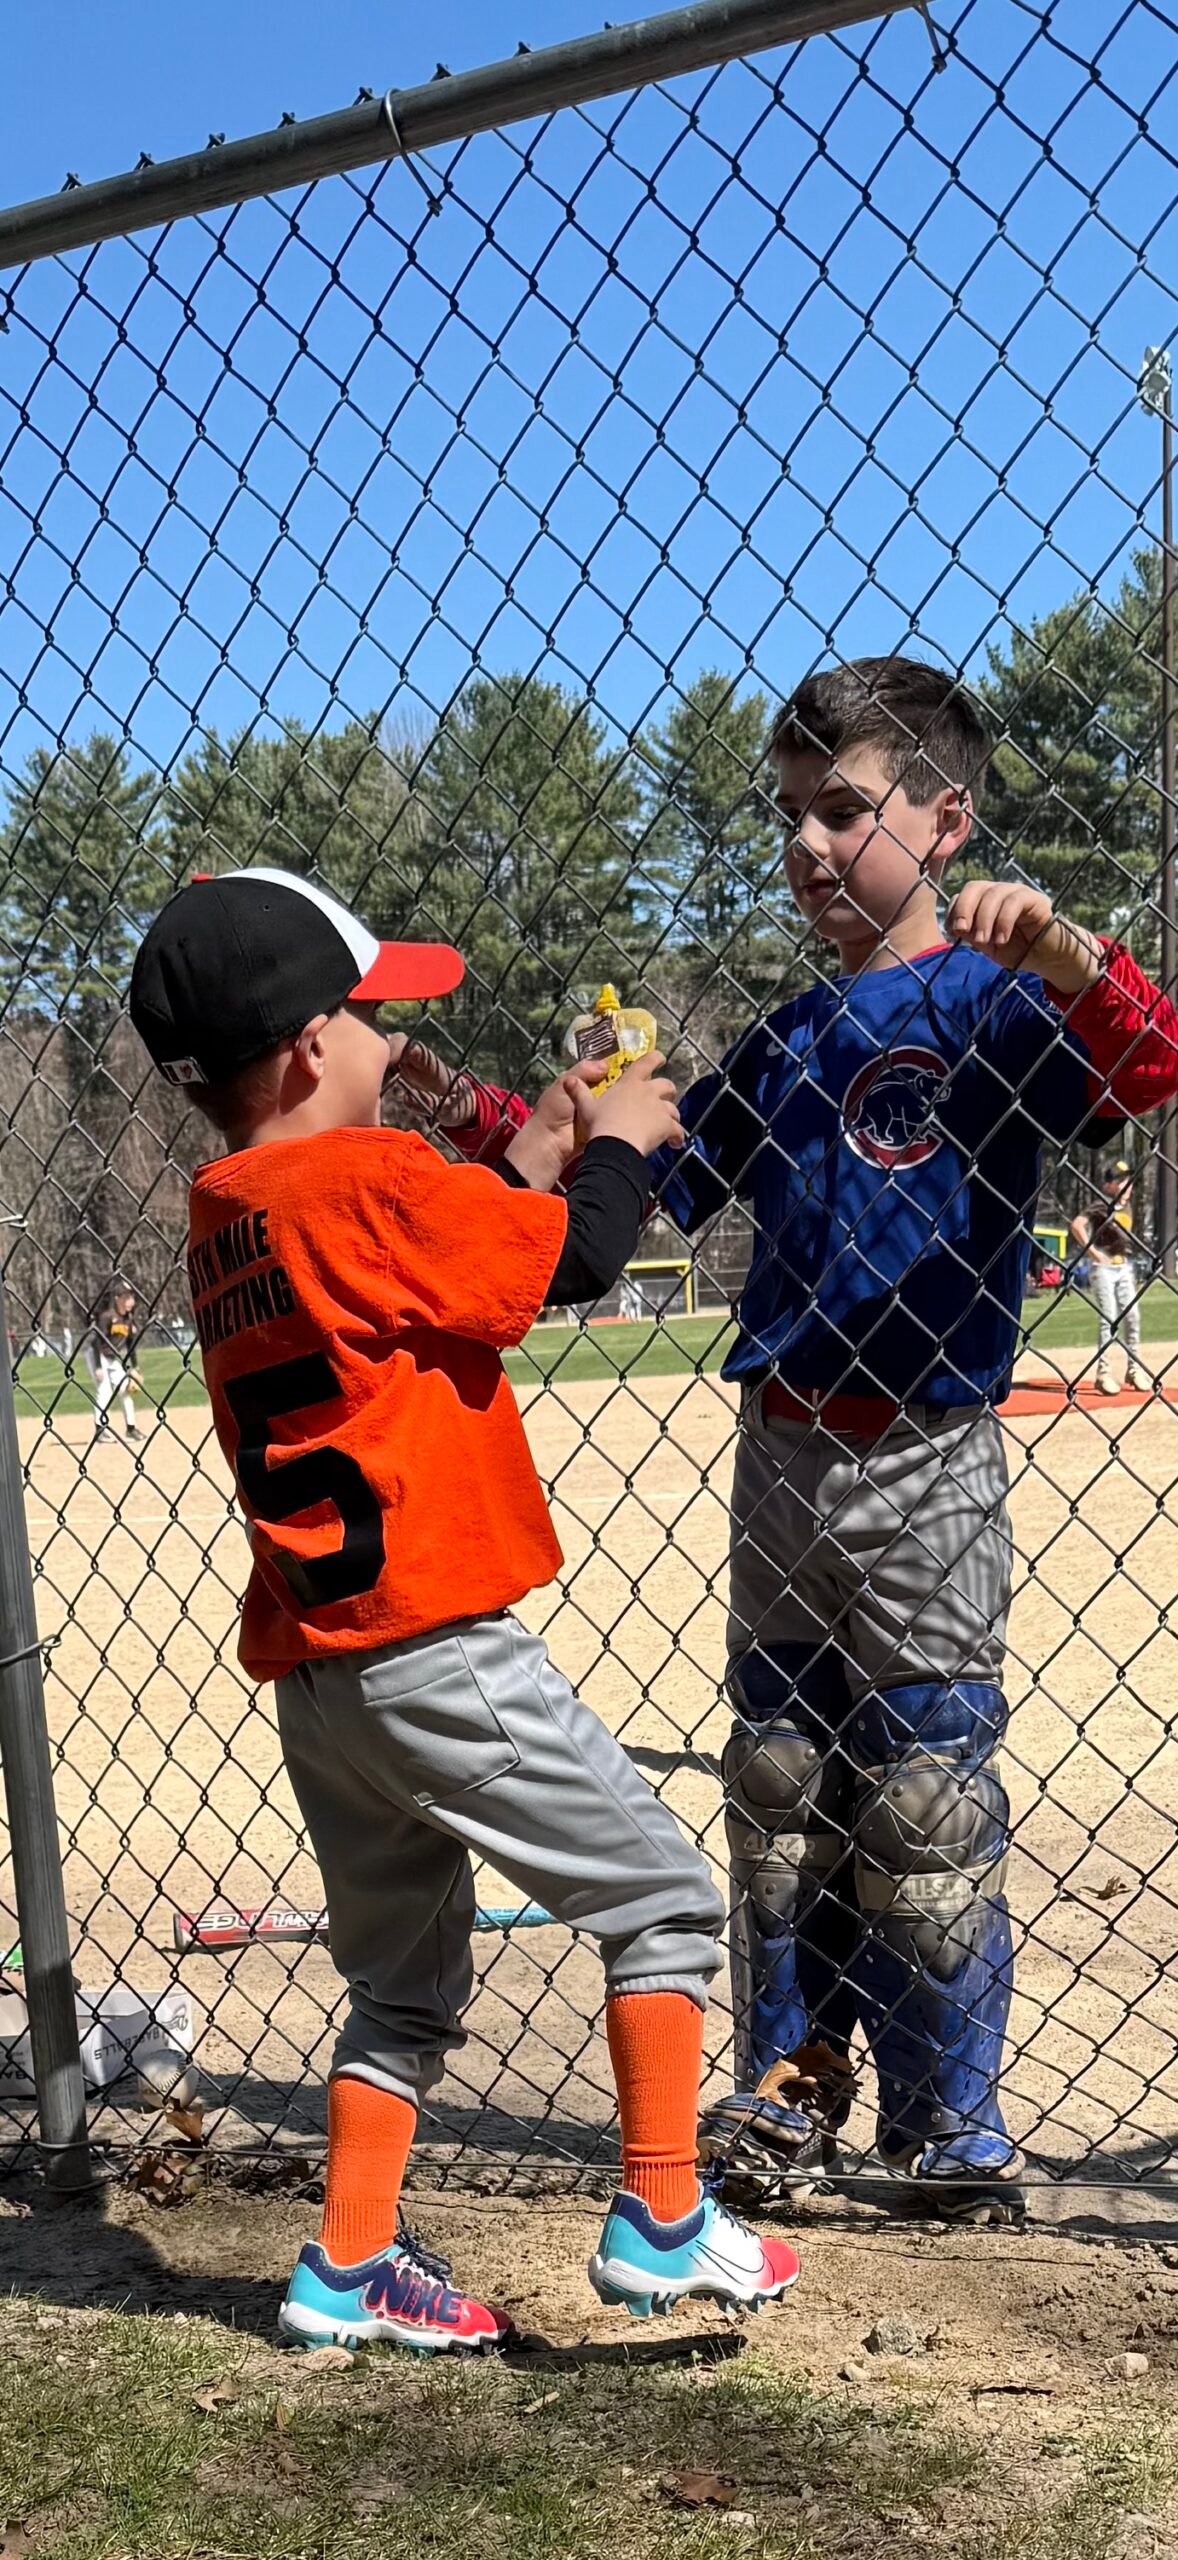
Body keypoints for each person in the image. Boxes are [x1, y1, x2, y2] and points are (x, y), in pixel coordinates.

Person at [413, 657, 1178, 2225]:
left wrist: (1062, 945)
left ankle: (945, 2123)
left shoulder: (991, 999)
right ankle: (787, 2091)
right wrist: (480, 1109)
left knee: (924, 1799)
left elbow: (1146, 1063)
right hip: (779, 1452)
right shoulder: (785, 1036)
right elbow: (647, 1183)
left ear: (942, 818)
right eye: (791, 816)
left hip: (922, 1459)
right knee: (777, 1789)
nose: (808, 846)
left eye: (844, 809)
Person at [129, 864, 800, 2355]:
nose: (401, 1046)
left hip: (322, 1671)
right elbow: (567, 1262)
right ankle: (659, 2217)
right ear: (310, 1048)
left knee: (401, 1992)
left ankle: (347, 2268)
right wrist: (615, 1143)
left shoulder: (229, 1207)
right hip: (437, 1650)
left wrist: (544, 1142)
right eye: (378, 1020)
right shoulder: (373, 1181)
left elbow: (426, 1250)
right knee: (663, 1901)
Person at [1070, 1159, 1149, 1393]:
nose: (1127, 1185)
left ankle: (1134, 1369)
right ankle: (1103, 1373)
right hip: (1103, 1269)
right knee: (1109, 1318)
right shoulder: (1101, 1204)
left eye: (1128, 1180)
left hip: (1123, 1267)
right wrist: (1093, 1252)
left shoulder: (1127, 1206)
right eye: (1120, 1181)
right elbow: (1077, 1225)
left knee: (1132, 1316)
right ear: (1109, 1185)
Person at [86, 1281, 145, 1443]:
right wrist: (98, 1367)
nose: (130, 1301)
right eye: (126, 1297)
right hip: (97, 1355)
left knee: (125, 1390)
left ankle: (131, 1429)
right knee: (104, 1390)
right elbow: (97, 1341)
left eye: (131, 1297)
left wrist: (135, 1366)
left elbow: (130, 1345)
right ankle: (100, 1430)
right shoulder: (107, 1317)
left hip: (112, 1358)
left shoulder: (128, 1319)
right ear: (117, 1299)